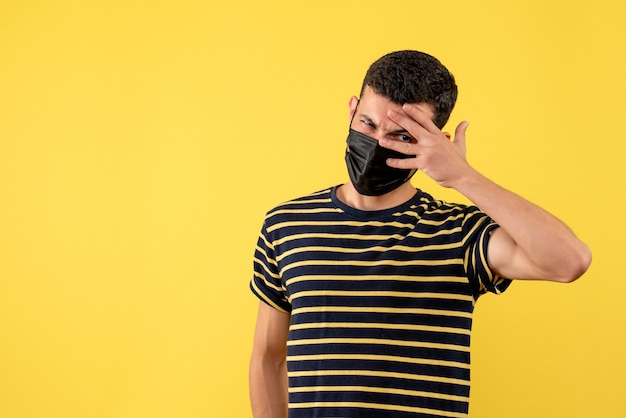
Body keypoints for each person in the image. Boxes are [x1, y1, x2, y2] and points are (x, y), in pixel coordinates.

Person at [248, 50, 591, 418]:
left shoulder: (460, 234)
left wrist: (461, 176)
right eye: (367, 123)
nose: (378, 143)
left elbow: (569, 261)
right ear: (351, 110)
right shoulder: (286, 225)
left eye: (401, 135)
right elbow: (269, 355)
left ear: (435, 142)